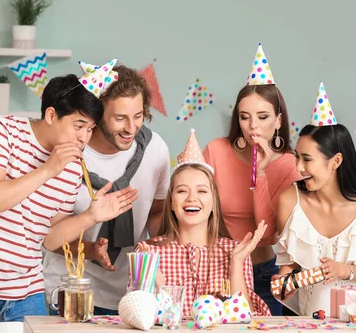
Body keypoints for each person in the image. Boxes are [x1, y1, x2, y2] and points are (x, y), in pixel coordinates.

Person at [0, 69, 137, 322]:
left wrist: (91, 216)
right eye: (79, 126)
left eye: (90, 129)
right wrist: (47, 170)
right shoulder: (1, 130)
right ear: (51, 115)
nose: (84, 138)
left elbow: (50, 240)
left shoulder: (73, 168)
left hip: (28, 297)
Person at [43, 61, 170, 315]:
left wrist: (158, 241)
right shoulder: (66, 152)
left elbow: (157, 210)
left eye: (137, 117)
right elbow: (48, 234)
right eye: (120, 118)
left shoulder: (155, 150)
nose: (131, 128)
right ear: (98, 114)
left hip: (132, 294)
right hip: (71, 291)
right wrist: (91, 250)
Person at [275, 82, 356, 316]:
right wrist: (284, 280)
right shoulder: (290, 200)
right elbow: (290, 263)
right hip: (309, 318)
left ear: (336, 161)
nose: (298, 168)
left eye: (307, 159)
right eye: (297, 157)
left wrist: (344, 270)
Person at [203, 44, 301, 315]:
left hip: (263, 274)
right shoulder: (216, 151)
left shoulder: (290, 165)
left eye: (263, 117)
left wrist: (261, 171)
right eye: (244, 117)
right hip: (216, 270)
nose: (253, 126)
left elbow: (267, 233)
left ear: (278, 121)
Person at [136, 129, 271, 316]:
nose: (192, 198)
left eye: (202, 191)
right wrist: (156, 280)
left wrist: (236, 263)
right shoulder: (149, 253)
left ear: (214, 202)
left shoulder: (235, 252)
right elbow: (140, 317)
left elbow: (244, 319)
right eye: (182, 191)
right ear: (172, 203)